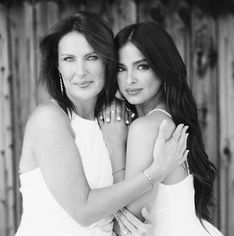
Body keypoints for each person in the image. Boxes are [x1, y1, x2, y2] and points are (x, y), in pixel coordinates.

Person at [15, 13, 188, 236]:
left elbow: (125, 210)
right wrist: (156, 172)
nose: (81, 72)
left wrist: (139, 229)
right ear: (57, 66)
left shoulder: (118, 117)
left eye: (91, 57)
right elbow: (84, 210)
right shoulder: (49, 119)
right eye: (69, 59)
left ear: (107, 61)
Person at [111, 22, 224, 236]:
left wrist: (114, 143)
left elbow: (125, 228)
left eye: (142, 66)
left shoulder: (145, 128)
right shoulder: (167, 119)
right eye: (120, 68)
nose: (129, 79)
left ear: (162, 68)